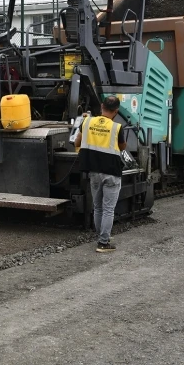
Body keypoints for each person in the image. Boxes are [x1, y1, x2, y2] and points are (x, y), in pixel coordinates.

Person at [74, 96, 126, 252]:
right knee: (108, 209)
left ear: (102, 106)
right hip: (111, 172)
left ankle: (102, 236)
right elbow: (122, 147)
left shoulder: (87, 122)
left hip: (94, 171)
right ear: (116, 111)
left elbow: (77, 143)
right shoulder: (117, 127)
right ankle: (103, 243)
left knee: (98, 207)